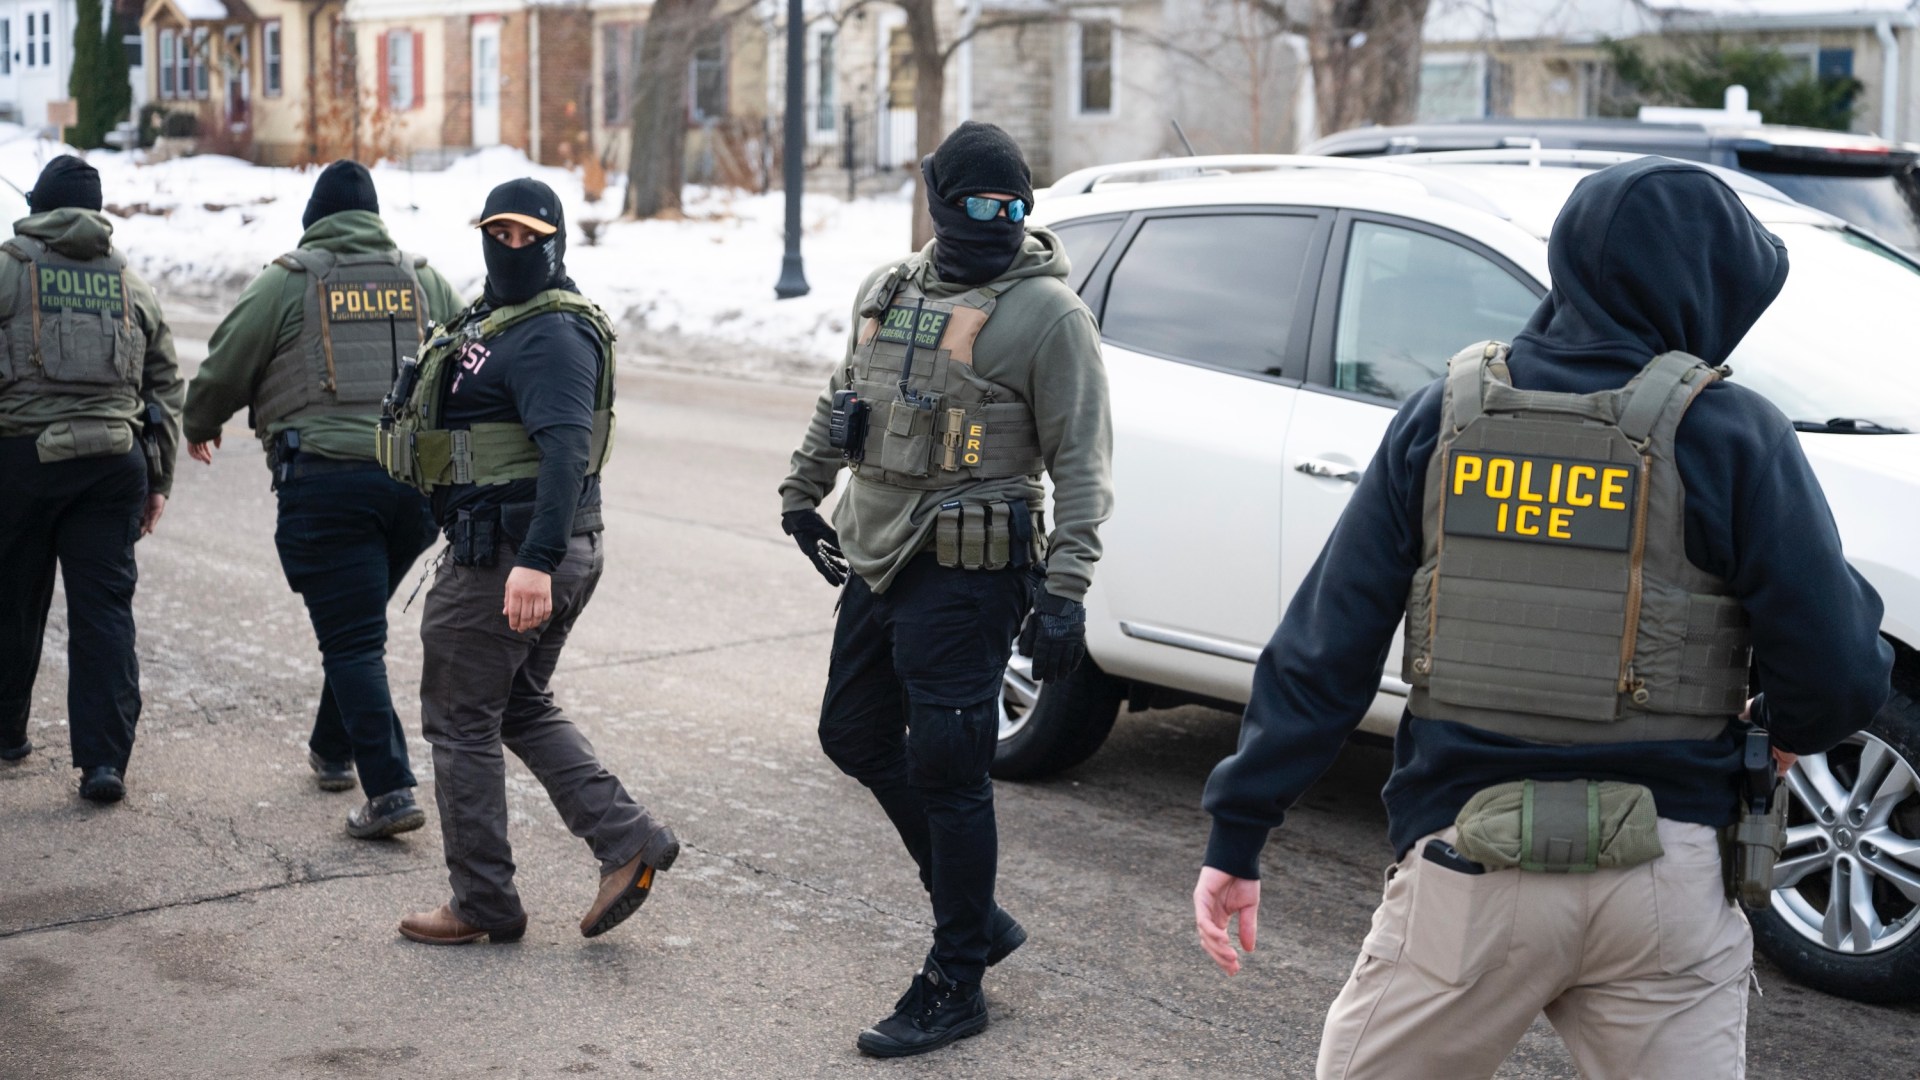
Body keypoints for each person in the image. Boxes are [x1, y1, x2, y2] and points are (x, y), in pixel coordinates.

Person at [1193, 159, 1895, 1078]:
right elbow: (1839, 668)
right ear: (1707, 285)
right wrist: (1789, 729)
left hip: (1466, 875)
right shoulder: (1733, 432)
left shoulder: (1439, 418)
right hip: (1666, 876)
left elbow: (1326, 648)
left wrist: (1240, 830)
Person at [779, 121, 1113, 1058]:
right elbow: (845, 397)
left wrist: (1066, 591)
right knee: (850, 733)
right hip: (878, 548)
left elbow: (1085, 466)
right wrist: (802, 493)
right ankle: (979, 914)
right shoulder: (889, 288)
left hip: (971, 567)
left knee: (952, 769)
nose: (998, 222)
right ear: (938, 200)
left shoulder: (1048, 316)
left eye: (1015, 207)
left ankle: (956, 976)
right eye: (978, 205)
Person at [380, 177, 678, 945]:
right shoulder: (500, 319)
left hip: (514, 555)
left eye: (530, 238)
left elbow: (567, 451)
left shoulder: (550, 334)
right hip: (521, 548)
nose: (513, 250)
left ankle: (483, 902)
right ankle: (627, 839)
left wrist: (535, 561)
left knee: (459, 719)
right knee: (515, 706)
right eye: (500, 235)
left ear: (556, 241)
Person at [181, 160, 464, 838]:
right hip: (413, 495)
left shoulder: (289, 281)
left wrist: (199, 424)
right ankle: (332, 748)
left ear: (315, 220)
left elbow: (225, 366)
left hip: (328, 486)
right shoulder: (425, 280)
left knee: (353, 639)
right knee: (357, 625)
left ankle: (391, 789)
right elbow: (468, 366)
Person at [0, 155, 182, 803]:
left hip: (21, 462)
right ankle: (104, 764)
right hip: (114, 464)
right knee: (103, 613)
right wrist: (158, 477)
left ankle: (8, 734)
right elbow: (164, 383)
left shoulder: (8, 266)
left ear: (41, 208)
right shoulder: (129, 282)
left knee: (14, 599)